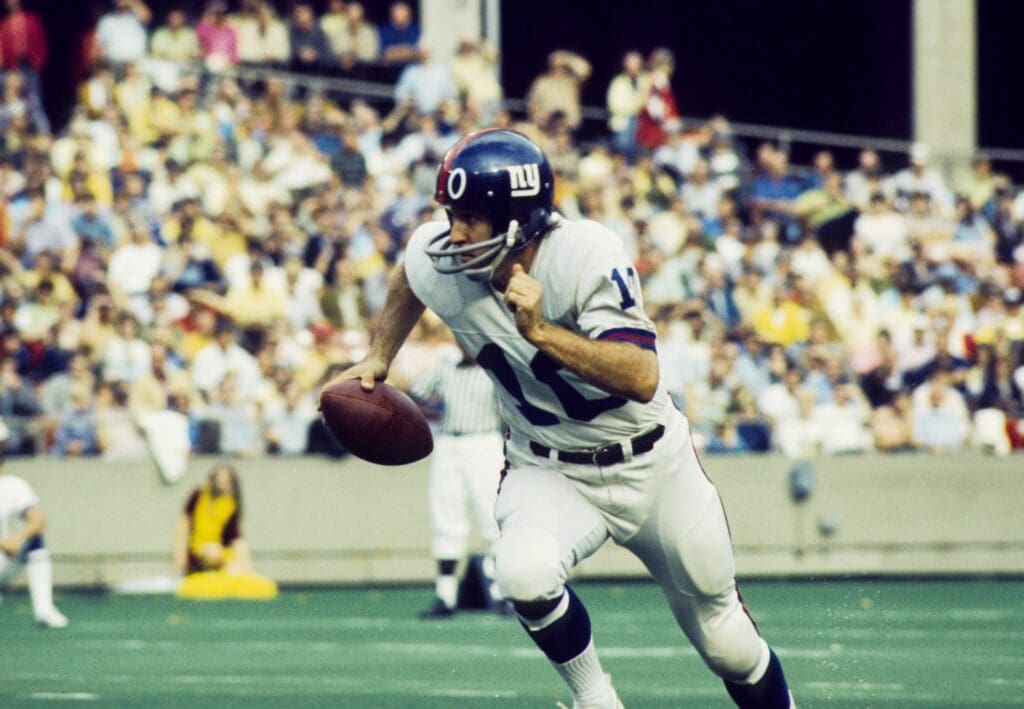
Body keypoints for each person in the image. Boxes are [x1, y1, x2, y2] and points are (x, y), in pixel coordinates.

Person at [325, 129, 793, 708]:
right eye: (452, 214)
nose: (455, 232)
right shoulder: (441, 256)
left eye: (472, 217)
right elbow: (412, 272)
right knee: (522, 574)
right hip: (547, 466)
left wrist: (543, 333)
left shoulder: (585, 254)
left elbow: (641, 374)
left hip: (649, 462)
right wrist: (379, 354)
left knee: (729, 648)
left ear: (520, 221)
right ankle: (596, 700)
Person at [410, 342, 506, 619]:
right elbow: (414, 393)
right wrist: (432, 412)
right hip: (448, 441)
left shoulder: (492, 369)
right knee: (446, 517)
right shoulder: (446, 366)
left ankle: (502, 594)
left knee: (492, 517)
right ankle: (446, 596)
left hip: (484, 441)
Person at [0, 421, 69, 628]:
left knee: (35, 540)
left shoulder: (11, 485)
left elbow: (39, 519)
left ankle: (44, 610)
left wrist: (17, 539)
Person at [173, 463, 251, 575]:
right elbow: (184, 525)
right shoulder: (199, 495)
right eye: (219, 479)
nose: (222, 483)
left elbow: (236, 537)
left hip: (220, 551)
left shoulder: (230, 504)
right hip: (199, 550)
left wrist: (244, 563)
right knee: (213, 551)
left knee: (238, 556)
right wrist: (180, 554)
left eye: (226, 481)